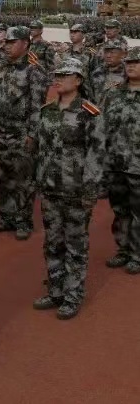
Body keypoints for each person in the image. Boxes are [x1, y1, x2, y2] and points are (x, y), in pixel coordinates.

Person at [31, 58, 105, 319]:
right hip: (50, 190)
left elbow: (96, 155)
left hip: (76, 191)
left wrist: (90, 191)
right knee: (53, 243)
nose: (59, 78)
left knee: (75, 245)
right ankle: (56, 291)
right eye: (57, 74)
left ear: (79, 80)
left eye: (65, 74)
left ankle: (73, 296)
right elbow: (39, 150)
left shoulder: (89, 113)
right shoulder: (46, 111)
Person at [0, 26, 47, 240]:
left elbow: (37, 106)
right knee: (3, 178)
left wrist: (32, 134)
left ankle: (23, 221)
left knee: (23, 179)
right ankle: (7, 217)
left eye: (12, 42)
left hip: (22, 134)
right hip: (1, 132)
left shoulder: (34, 70)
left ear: (25, 44)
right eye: (6, 42)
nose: (7, 46)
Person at [102, 47, 140, 275]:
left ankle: (137, 254)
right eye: (129, 62)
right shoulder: (113, 93)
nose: (132, 66)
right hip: (115, 164)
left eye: (137, 62)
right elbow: (102, 127)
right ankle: (123, 249)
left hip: (138, 166)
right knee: (120, 210)